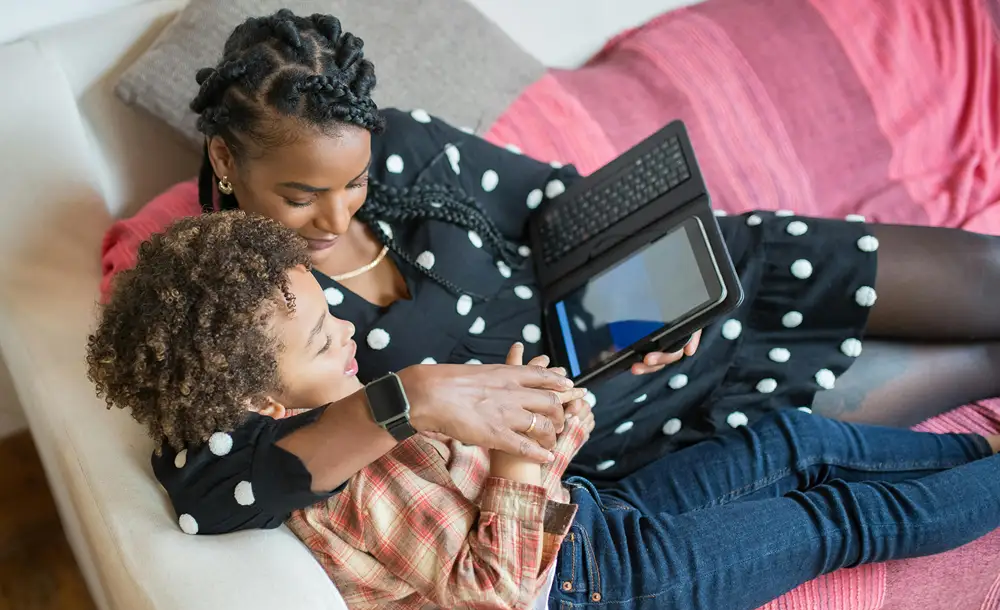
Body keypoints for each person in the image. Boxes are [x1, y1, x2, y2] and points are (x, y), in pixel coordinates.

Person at [99, 9, 1000, 537]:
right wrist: (402, 400)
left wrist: (656, 298)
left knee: (985, 276)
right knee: (982, 364)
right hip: (608, 426)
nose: (338, 219)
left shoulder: (407, 148)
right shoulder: (221, 292)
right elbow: (205, 489)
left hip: (638, 312)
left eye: (355, 183)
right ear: (223, 157)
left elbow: (555, 203)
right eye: (300, 197)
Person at [88, 211, 1000, 610]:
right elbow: (498, 588)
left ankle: (981, 462)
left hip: (594, 530)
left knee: (788, 439)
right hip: (601, 608)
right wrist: (527, 458)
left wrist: (544, 431)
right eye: (325, 339)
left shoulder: (325, 409)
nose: (348, 332)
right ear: (254, 396)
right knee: (832, 522)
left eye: (329, 311)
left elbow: (497, 491)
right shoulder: (349, 484)